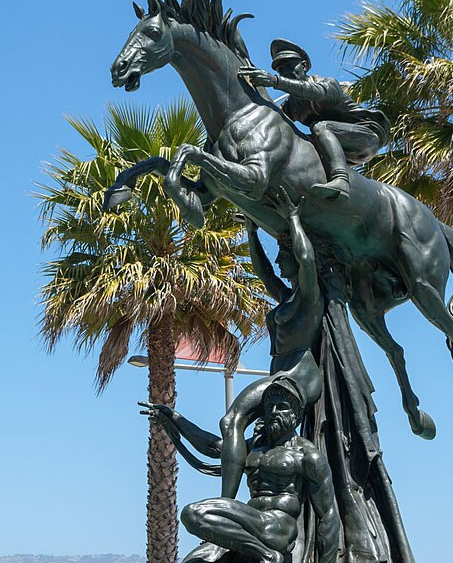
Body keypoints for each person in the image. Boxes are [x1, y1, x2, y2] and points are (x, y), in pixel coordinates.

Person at [140, 375, 339, 563]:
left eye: (282, 407)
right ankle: (264, 554)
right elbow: (213, 447)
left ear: (297, 415)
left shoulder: (308, 456)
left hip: (277, 528)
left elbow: (328, 515)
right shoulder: (255, 445)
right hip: (248, 524)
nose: (274, 412)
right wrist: (175, 419)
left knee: (193, 513)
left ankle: (267, 556)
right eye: (269, 407)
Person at [218, 186, 324, 501]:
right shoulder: (288, 297)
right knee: (231, 422)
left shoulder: (309, 297)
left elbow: (307, 260)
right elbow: (264, 273)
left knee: (232, 420)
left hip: (297, 377)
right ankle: (228, 504)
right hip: (280, 375)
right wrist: (251, 232)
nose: (278, 260)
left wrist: (294, 220)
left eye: (283, 254)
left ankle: (226, 505)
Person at [238, 39, 390, 201]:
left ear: (304, 65)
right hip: (332, 147)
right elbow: (271, 121)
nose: (284, 71)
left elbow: (315, 92)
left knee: (321, 127)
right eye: (280, 70)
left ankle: (341, 181)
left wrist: (276, 81)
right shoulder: (292, 105)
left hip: (365, 138)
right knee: (294, 147)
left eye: (289, 65)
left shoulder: (328, 84)